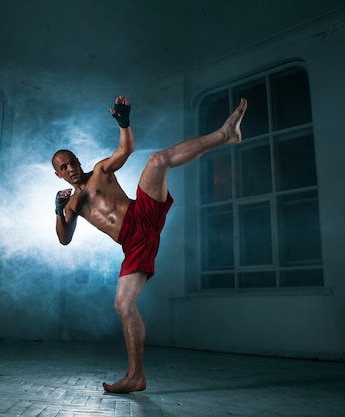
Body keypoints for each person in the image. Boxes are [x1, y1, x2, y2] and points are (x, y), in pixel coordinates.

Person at [52, 95, 247, 393]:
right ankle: (136, 376)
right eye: (64, 167)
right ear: (59, 174)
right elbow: (64, 239)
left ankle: (224, 135)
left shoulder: (101, 171)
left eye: (73, 161)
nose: (71, 168)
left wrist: (123, 123)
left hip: (141, 213)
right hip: (133, 243)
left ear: (79, 160)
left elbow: (126, 149)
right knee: (123, 305)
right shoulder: (73, 204)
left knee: (157, 160)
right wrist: (57, 210)